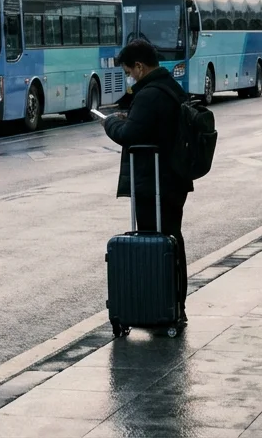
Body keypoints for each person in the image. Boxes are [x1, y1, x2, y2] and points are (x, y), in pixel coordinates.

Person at [103, 40, 193, 323]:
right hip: (174, 180)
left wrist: (110, 123)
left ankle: (158, 307)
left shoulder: (149, 94)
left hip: (153, 184)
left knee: (154, 243)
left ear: (140, 66)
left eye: (130, 71)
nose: (130, 77)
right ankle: (175, 305)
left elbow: (130, 135)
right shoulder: (171, 88)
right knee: (171, 241)